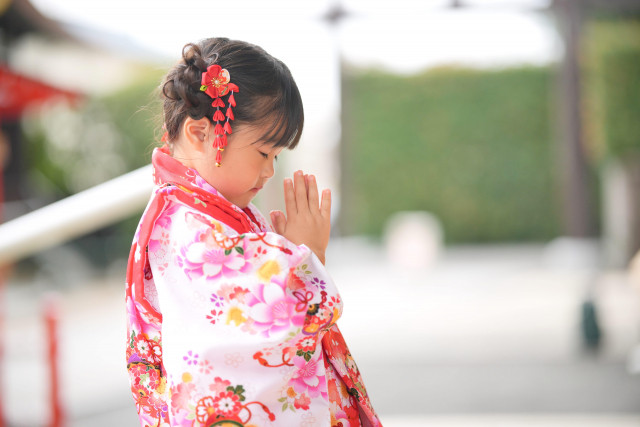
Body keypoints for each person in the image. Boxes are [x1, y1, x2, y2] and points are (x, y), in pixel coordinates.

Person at [125, 37, 381, 427]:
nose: (269, 172)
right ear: (200, 133)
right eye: (264, 153)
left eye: (276, 157)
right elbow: (276, 306)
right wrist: (307, 256)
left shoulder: (200, 213)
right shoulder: (188, 227)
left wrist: (294, 253)